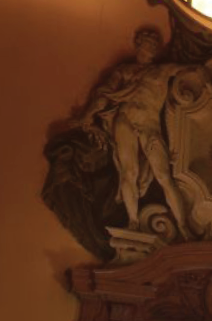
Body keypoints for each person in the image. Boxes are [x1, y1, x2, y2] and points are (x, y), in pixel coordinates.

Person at [79, 27, 190, 235]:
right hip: (125, 122)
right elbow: (105, 93)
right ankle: (133, 221)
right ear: (138, 45)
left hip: (150, 126)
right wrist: (88, 115)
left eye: (155, 44)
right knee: (129, 173)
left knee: (164, 176)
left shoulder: (163, 71)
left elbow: (191, 71)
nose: (151, 47)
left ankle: (183, 226)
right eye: (147, 43)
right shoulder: (125, 71)